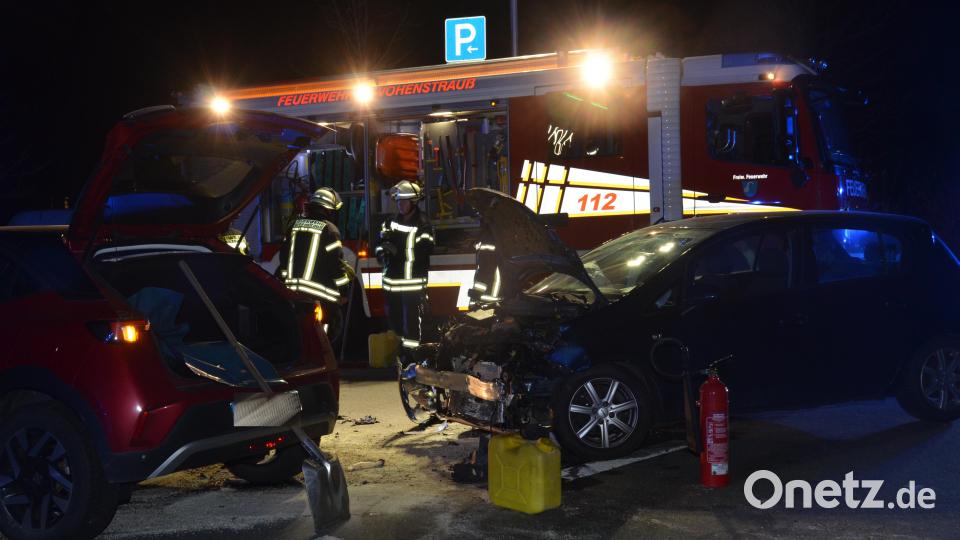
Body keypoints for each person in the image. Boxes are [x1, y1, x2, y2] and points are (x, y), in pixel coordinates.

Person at [280, 187, 351, 336]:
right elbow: (336, 265)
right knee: (322, 334)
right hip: (321, 295)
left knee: (300, 332)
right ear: (328, 210)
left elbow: (284, 257)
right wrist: (344, 291)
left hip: (294, 293)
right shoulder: (330, 230)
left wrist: (286, 281)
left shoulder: (293, 225)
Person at [376, 180, 434, 353]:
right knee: (394, 320)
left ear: (413, 203)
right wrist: (381, 252)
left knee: (411, 321)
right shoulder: (390, 222)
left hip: (412, 283)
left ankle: (412, 355)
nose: (400, 205)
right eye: (399, 202)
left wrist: (397, 251)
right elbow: (379, 243)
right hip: (391, 282)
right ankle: (403, 349)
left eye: (404, 202)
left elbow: (425, 250)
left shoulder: (423, 225)